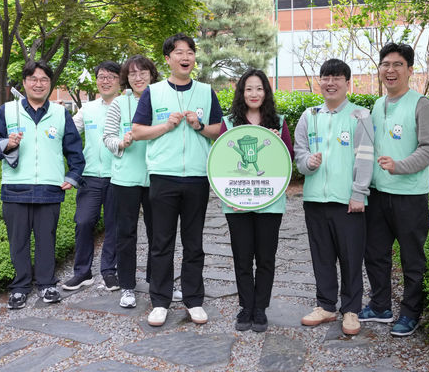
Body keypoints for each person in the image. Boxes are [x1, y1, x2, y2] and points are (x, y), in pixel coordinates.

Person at [132, 33, 222, 327]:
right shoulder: (153, 92)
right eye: (179, 52)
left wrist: (200, 125)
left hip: (197, 177)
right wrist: (166, 125)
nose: (186, 57)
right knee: (161, 242)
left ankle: (194, 300)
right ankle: (160, 301)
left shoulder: (206, 92)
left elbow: (219, 130)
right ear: (168, 59)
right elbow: (137, 131)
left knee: (194, 243)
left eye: (190, 52)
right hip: (163, 177)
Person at [0, 61, 85, 310]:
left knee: (46, 239)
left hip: (50, 188)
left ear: (50, 84)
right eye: (33, 79)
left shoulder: (60, 114)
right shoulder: (7, 111)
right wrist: (7, 143)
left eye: (44, 80)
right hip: (15, 188)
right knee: (18, 241)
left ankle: (47, 284)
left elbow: (74, 150)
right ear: (25, 83)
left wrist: (72, 177)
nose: (38, 84)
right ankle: (20, 288)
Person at [360, 43, 429, 337]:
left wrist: (400, 165)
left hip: (410, 196)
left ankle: (410, 312)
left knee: (411, 257)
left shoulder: (422, 104)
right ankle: (380, 305)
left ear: (409, 69)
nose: (390, 70)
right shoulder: (377, 106)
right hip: (379, 194)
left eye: (397, 65)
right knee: (376, 253)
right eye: (385, 64)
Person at [294, 58, 374, 336]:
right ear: (320, 82)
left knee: (351, 257)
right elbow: (299, 153)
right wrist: (308, 164)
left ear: (347, 83)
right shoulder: (309, 115)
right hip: (315, 199)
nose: (330, 83)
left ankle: (351, 310)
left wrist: (358, 193)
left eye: (337, 78)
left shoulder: (360, 115)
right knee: (322, 256)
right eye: (326, 78)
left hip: (347, 201)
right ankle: (326, 305)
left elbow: (365, 157)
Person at [102, 55, 181, 308]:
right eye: (133, 73)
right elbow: (107, 138)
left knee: (160, 233)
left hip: (158, 176)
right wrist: (121, 143)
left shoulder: (163, 98)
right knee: (126, 234)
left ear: (152, 74)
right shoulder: (118, 104)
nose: (138, 77)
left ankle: (160, 282)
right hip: (126, 178)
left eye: (143, 72)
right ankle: (127, 286)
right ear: (127, 77)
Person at [220, 69, 294, 333]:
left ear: (266, 92)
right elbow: (222, 164)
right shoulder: (229, 123)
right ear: (242, 92)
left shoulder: (279, 121)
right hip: (237, 202)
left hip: (270, 202)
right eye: (249, 88)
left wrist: (276, 142)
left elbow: (288, 160)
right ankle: (245, 307)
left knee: (265, 257)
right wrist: (230, 195)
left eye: (259, 88)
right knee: (242, 256)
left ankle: (260, 308)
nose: (254, 94)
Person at [62, 61, 121, 292]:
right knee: (83, 222)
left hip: (118, 176)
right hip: (90, 175)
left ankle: (109, 271)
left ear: (119, 81)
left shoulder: (127, 107)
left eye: (111, 77)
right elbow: (70, 131)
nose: (105, 81)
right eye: (101, 76)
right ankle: (82, 272)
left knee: (114, 225)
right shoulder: (88, 109)